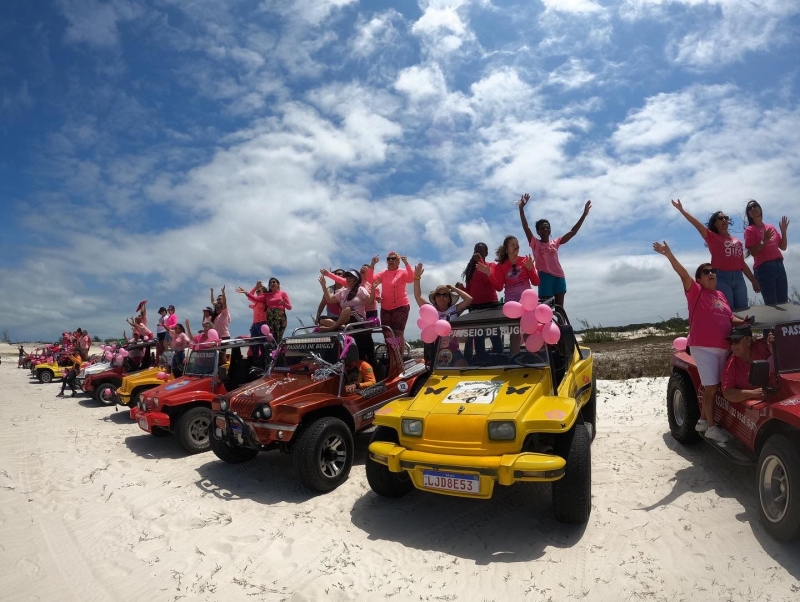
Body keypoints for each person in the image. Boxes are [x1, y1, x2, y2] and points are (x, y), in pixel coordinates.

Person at [653, 240, 747, 443]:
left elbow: (730, 318)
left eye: (713, 270)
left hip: (723, 347)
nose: (711, 273)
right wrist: (669, 254)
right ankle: (711, 428)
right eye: (706, 271)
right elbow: (683, 274)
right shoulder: (696, 292)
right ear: (699, 278)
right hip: (703, 347)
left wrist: (744, 322)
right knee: (711, 388)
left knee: (717, 386)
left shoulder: (721, 295)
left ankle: (703, 421)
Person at [671, 199, 759, 310]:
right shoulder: (713, 237)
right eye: (721, 218)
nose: (724, 220)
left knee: (743, 310)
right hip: (722, 278)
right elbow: (697, 225)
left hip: (739, 278)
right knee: (728, 311)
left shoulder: (737, 241)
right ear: (715, 223)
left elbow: (742, 264)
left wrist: (754, 281)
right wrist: (682, 210)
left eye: (726, 218)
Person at [519, 193, 591, 306]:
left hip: (559, 277)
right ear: (538, 231)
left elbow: (572, 232)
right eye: (542, 228)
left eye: (547, 227)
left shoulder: (555, 242)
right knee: (545, 308)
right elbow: (525, 227)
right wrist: (521, 208)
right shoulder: (535, 243)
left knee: (559, 308)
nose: (546, 229)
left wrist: (584, 214)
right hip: (544, 277)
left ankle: (560, 324)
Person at [477, 235, 539, 353]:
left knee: (530, 333)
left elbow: (536, 282)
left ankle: (536, 359)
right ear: (506, 249)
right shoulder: (501, 266)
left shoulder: (526, 261)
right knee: (514, 336)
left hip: (528, 303)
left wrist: (530, 269)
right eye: (512, 245)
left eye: (517, 244)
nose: (516, 247)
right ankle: (514, 363)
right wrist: (489, 274)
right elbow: (499, 287)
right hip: (512, 306)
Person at [458, 242, 501, 359]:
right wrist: (462, 289)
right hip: (475, 306)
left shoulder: (491, 265)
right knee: (478, 335)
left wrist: (480, 261)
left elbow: (487, 280)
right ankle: (480, 358)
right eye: (476, 250)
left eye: (481, 251)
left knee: (494, 334)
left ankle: (500, 357)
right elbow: (469, 292)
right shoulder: (470, 270)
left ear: (486, 253)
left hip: (491, 304)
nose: (478, 253)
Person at [744, 199, 790, 305]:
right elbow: (753, 252)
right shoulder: (750, 230)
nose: (753, 209)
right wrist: (764, 240)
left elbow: (783, 247)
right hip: (764, 268)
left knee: (783, 302)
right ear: (749, 214)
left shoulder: (771, 227)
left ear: (760, 209)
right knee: (772, 304)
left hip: (779, 266)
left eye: (755, 206)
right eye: (749, 208)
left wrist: (783, 232)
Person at [371, 252, 415, 355]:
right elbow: (371, 280)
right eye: (388, 259)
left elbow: (411, 278)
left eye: (393, 258)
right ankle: (392, 357)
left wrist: (407, 264)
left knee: (398, 332)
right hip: (386, 307)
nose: (390, 260)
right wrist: (372, 264)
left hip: (401, 306)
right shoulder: (383, 273)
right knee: (387, 333)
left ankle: (400, 359)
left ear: (398, 261)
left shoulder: (402, 272)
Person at [721, 325, 774, 404]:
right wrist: (752, 393)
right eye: (731, 342)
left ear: (749, 340)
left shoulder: (762, 347)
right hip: (754, 407)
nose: (733, 345)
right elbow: (727, 393)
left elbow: (773, 343)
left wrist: (773, 340)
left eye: (736, 341)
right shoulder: (731, 364)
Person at [237, 281, 268, 358]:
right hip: (255, 324)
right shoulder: (257, 300)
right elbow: (250, 296)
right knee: (254, 344)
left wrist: (246, 292)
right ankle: (255, 361)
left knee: (262, 344)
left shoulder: (264, 298)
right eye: (257, 291)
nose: (257, 292)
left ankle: (264, 362)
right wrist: (255, 287)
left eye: (259, 291)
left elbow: (251, 296)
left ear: (264, 292)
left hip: (262, 323)